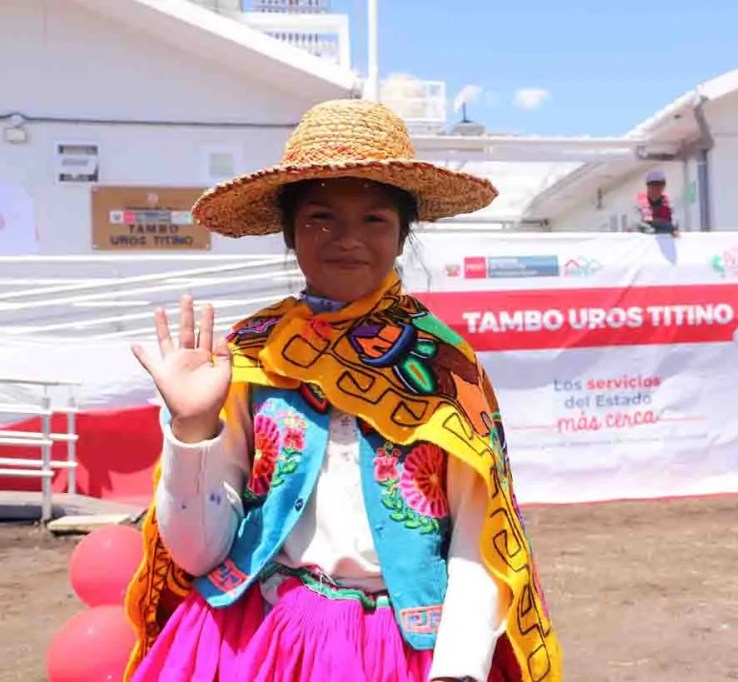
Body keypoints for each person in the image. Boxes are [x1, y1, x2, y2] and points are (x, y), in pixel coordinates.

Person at [122, 100, 562, 682]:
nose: (347, 239)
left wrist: (457, 670)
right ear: (289, 231)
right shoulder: (248, 358)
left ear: (404, 233)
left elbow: (482, 540)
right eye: (321, 218)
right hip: (257, 643)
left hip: (405, 652)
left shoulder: (445, 369)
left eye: (375, 219)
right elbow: (198, 554)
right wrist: (193, 429)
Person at [634, 169, 678, 236]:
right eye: (653, 185)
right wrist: (651, 229)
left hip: (665, 238)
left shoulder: (669, 204)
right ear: (648, 186)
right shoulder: (639, 204)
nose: (656, 188)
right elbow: (636, 222)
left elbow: (675, 222)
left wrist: (672, 228)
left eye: (659, 185)